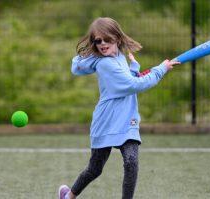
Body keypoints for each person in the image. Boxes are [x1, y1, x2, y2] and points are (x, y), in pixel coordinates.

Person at [58, 17, 180, 199]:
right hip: (106, 122)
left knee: (131, 162)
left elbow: (127, 81)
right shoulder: (105, 64)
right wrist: (160, 69)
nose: (102, 44)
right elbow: (134, 85)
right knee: (94, 169)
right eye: (97, 41)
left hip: (127, 120)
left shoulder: (120, 57)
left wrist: (134, 68)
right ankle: (68, 196)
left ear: (116, 37)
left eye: (106, 39)